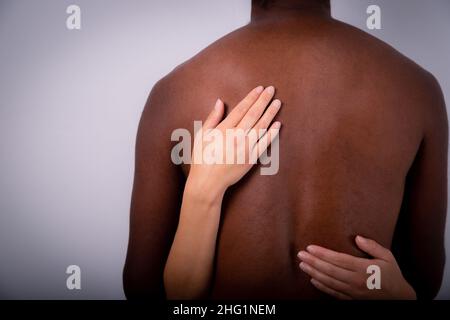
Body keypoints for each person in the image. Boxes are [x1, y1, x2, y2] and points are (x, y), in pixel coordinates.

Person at [123, 0, 448, 299]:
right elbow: (424, 282)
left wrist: (201, 192)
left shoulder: (175, 92)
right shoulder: (418, 90)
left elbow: (144, 290)